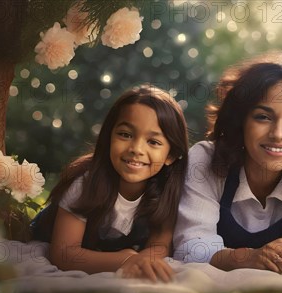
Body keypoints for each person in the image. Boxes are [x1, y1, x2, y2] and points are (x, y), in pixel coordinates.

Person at [173, 53, 282, 277]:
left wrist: (274, 258)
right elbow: (191, 246)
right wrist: (250, 257)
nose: (278, 134)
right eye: (263, 117)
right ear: (241, 120)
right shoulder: (205, 159)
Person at [30, 84, 188, 282]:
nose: (136, 149)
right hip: (47, 236)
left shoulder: (168, 190)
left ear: (171, 155)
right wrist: (126, 259)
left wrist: (143, 261)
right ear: (108, 136)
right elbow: (64, 255)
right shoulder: (85, 184)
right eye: (125, 135)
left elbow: (159, 246)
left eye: (153, 142)